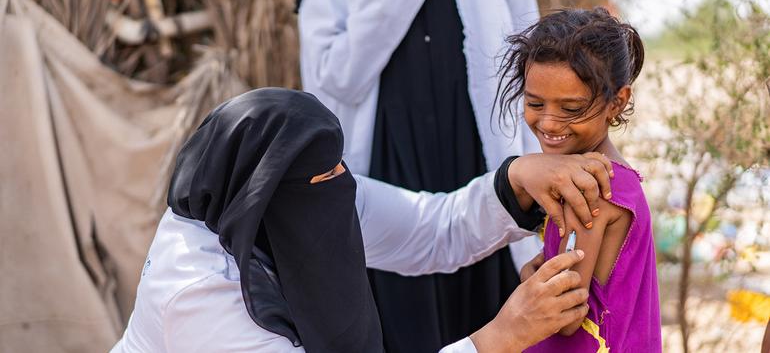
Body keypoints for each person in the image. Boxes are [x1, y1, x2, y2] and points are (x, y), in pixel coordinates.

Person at [111, 88, 615, 353]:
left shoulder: (308, 197)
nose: (339, 183)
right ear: (259, 193)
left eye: (338, 166)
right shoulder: (199, 294)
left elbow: (429, 228)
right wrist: (500, 338)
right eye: (321, 175)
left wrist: (519, 179)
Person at [293, 0, 542, 349]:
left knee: (499, 321)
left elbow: (530, 55)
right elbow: (334, 83)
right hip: (390, 175)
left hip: (482, 164)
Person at [496, 8, 662, 352]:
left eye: (571, 109)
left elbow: (565, 313)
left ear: (617, 101)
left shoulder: (589, 186)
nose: (550, 123)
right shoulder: (621, 178)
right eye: (535, 103)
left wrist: (530, 280)